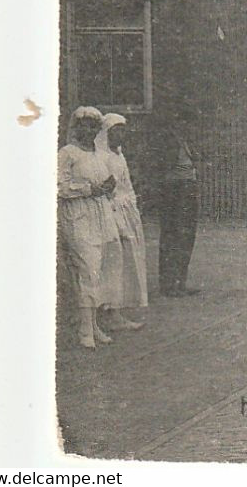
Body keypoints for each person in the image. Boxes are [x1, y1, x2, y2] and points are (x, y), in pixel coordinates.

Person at [59, 107, 120, 349]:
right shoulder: (67, 153)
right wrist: (87, 190)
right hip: (78, 216)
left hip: (100, 215)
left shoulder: (99, 154)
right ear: (76, 127)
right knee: (88, 267)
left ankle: (93, 325)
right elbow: (59, 186)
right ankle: (85, 330)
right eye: (85, 125)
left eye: (94, 126)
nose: (90, 130)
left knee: (99, 268)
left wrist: (107, 186)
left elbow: (107, 183)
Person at [95, 113, 147, 330]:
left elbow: (127, 185)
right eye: (116, 130)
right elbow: (107, 189)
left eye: (123, 130)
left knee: (126, 261)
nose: (121, 135)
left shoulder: (119, 155)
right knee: (112, 261)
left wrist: (133, 207)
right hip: (111, 213)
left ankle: (116, 311)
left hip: (127, 212)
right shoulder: (102, 157)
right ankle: (109, 312)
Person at [154, 116, 203, 297]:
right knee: (172, 235)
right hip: (173, 190)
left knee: (187, 235)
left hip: (188, 188)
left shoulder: (187, 142)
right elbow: (159, 167)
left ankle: (180, 282)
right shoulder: (166, 140)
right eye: (183, 121)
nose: (186, 125)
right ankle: (168, 284)